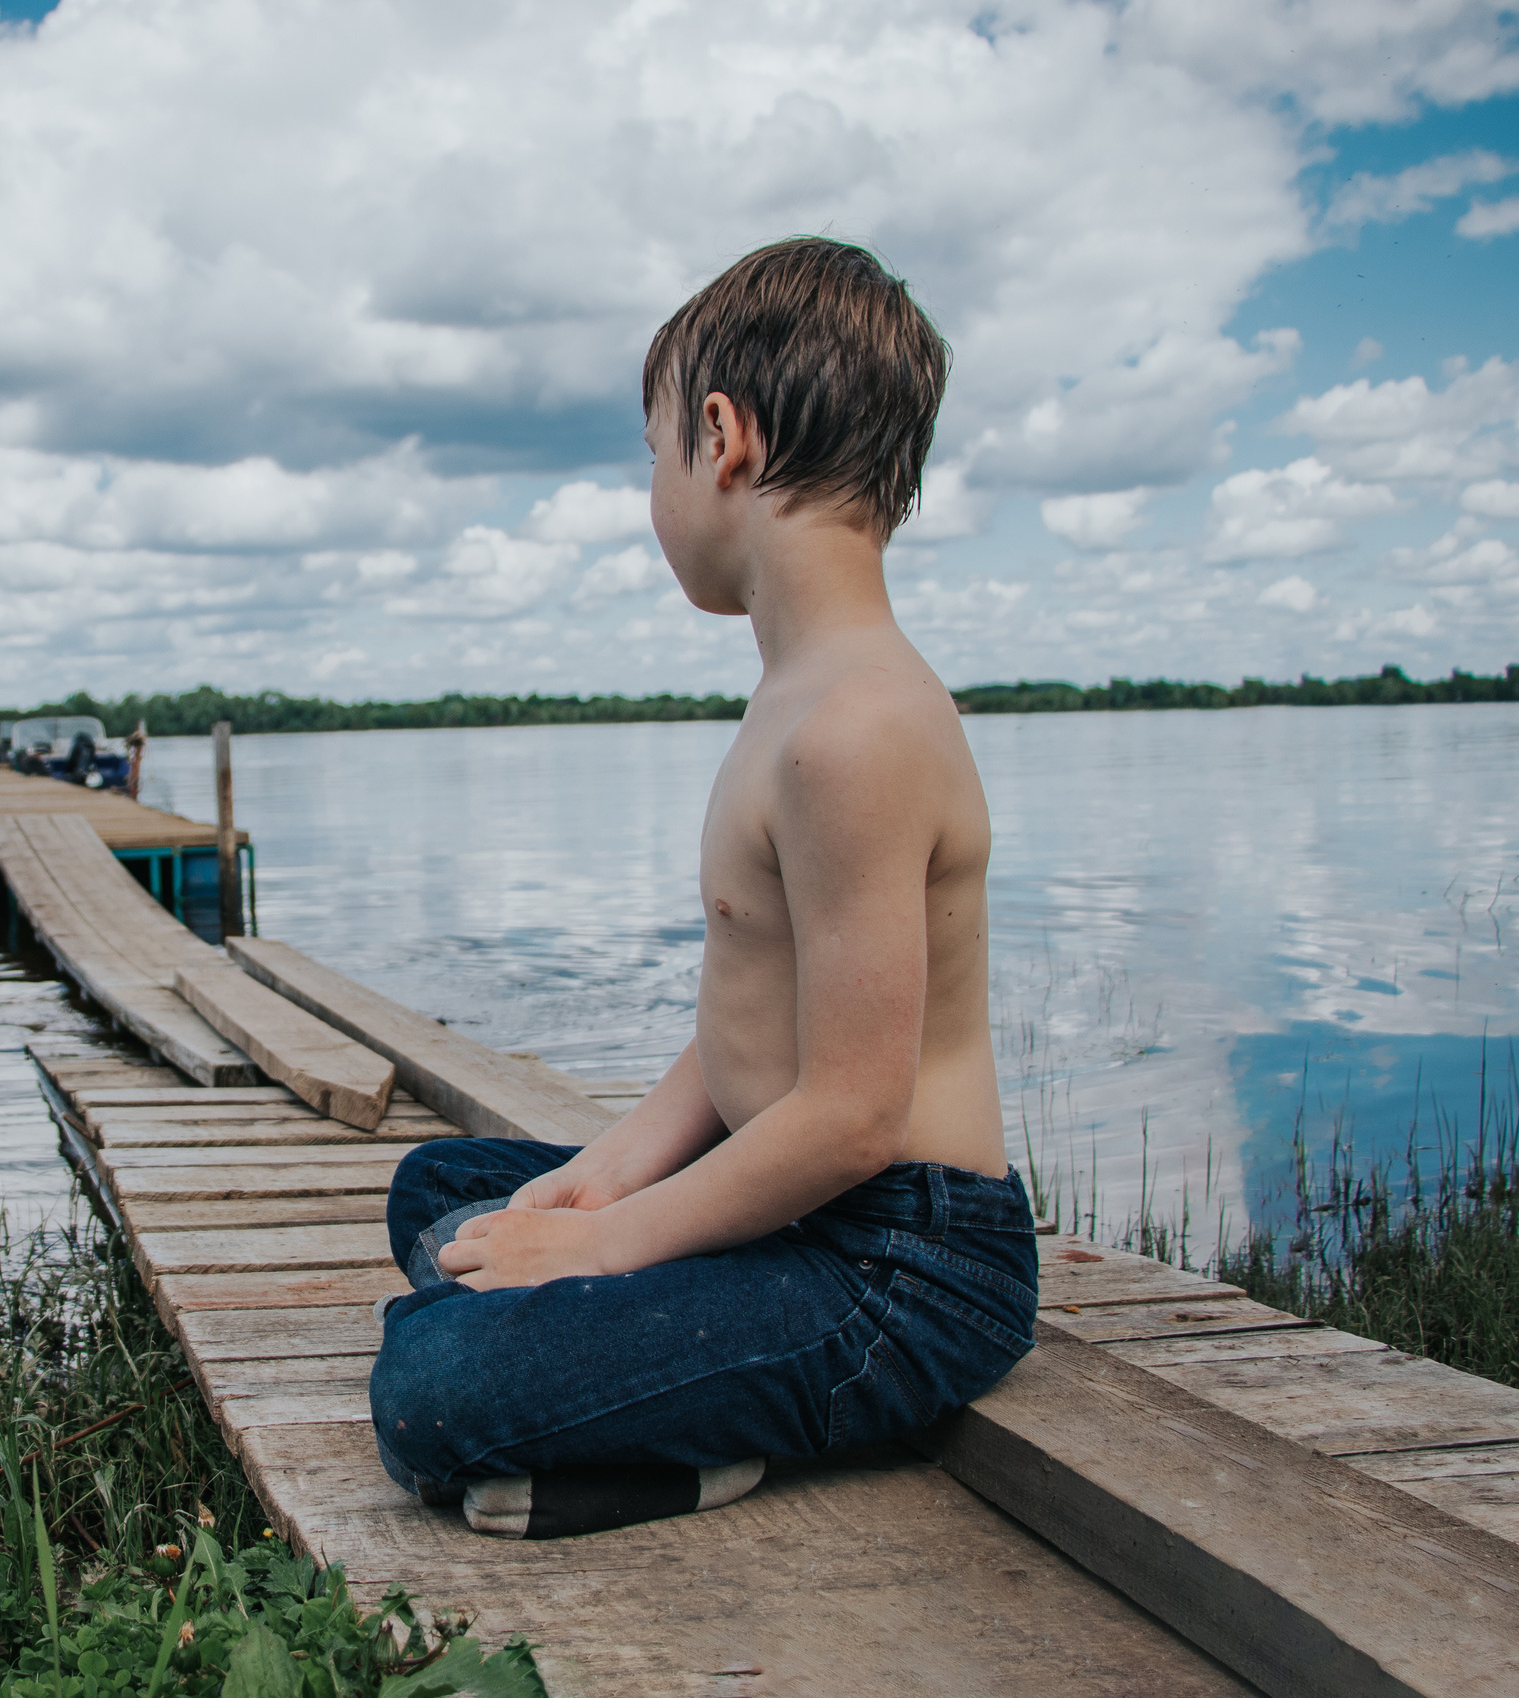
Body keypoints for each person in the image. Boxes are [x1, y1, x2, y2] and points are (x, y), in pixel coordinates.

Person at [368, 237, 1039, 1541]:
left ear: (723, 440)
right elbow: (757, 1009)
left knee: (431, 1387)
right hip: (785, 1201)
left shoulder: (856, 730)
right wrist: (610, 1173)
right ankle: (673, 1387)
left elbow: (854, 1117)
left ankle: (691, 1445)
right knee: (441, 1191)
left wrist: (603, 1248)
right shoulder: (800, 694)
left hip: (897, 1264)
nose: (653, 490)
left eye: (652, 454)